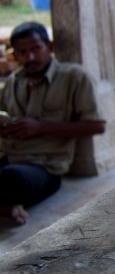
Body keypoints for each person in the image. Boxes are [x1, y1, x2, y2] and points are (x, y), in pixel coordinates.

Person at [0, 22, 105, 225]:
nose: (29, 57)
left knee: (11, 180)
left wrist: (40, 127)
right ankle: (5, 208)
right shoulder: (14, 82)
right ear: (15, 55)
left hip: (44, 166)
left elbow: (97, 125)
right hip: (9, 156)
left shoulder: (73, 77)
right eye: (22, 52)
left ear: (49, 47)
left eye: (35, 49)